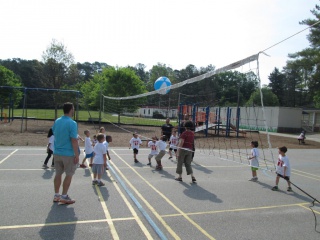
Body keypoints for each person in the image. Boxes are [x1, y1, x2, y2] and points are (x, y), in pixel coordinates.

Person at [52, 102, 79, 205]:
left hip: (57, 152)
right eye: (73, 109)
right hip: (67, 153)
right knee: (69, 174)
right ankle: (64, 196)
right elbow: (74, 140)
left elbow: (54, 132)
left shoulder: (57, 121)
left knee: (58, 174)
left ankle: (56, 195)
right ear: (71, 110)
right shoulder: (72, 123)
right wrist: (76, 155)